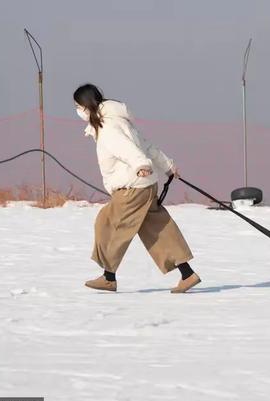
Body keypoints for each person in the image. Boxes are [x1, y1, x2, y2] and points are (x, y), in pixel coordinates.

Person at [74, 83, 200, 293]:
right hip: (146, 186)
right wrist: (167, 166)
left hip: (132, 188)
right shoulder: (119, 121)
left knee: (107, 223)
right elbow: (146, 145)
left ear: (87, 106)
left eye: (78, 106)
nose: (77, 111)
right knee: (157, 229)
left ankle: (108, 278)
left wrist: (141, 165)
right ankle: (187, 274)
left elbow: (130, 150)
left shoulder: (109, 128)